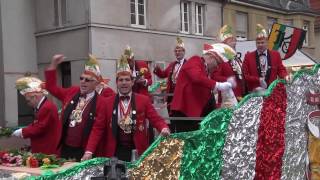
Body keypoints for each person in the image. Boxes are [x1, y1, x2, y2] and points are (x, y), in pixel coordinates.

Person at [81, 55, 170, 162]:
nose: (124, 82)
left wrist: (163, 128)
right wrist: (89, 151)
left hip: (137, 151)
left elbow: (156, 119)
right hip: (114, 152)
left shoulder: (143, 100)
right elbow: (98, 129)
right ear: (117, 83)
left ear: (132, 82)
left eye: (127, 80)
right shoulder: (107, 102)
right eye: (121, 80)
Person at [44, 54, 108, 161]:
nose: (83, 81)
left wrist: (89, 151)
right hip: (65, 147)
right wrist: (53, 65)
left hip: (84, 150)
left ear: (96, 83)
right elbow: (51, 87)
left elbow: (97, 129)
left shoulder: (101, 103)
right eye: (81, 78)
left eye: (87, 80)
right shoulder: (72, 92)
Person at [170, 43, 236, 132]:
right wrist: (218, 85)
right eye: (217, 62)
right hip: (184, 112)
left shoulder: (206, 71)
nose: (217, 67)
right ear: (211, 57)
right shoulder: (195, 60)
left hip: (194, 114)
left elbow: (207, 95)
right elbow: (197, 78)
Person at [13, 76, 61, 156]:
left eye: (28, 101)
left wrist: (23, 132)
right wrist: (24, 130)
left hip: (47, 148)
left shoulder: (46, 107)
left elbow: (40, 127)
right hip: (45, 147)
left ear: (34, 97)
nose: (28, 104)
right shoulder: (44, 106)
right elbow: (38, 124)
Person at [242, 24, 288, 93]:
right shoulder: (248, 56)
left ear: (267, 42)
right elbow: (245, 75)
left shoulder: (275, 55)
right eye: (258, 43)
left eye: (262, 42)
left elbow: (281, 70)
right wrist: (258, 79)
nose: (260, 45)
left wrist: (285, 76)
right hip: (255, 93)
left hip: (271, 92)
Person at [211, 25, 246, 106]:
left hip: (240, 97)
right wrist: (227, 79)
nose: (234, 42)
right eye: (231, 41)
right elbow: (214, 76)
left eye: (234, 40)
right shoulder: (220, 59)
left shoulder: (236, 58)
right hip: (227, 99)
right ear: (224, 44)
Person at [153, 37, 187, 117]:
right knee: (172, 117)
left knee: (181, 117)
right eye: (175, 51)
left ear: (184, 52)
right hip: (171, 96)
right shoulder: (172, 64)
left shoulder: (187, 64)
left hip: (182, 96)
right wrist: (157, 69)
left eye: (179, 51)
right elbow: (163, 74)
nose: (177, 53)